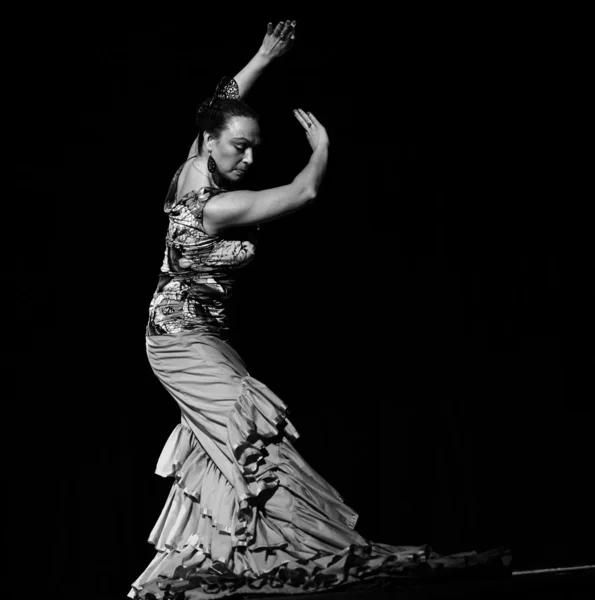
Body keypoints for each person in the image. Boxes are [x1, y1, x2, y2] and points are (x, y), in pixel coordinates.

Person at [129, 20, 511, 600]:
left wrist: (262, 56)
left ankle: (233, 550)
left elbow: (218, 104)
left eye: (257, 146)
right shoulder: (217, 204)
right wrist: (323, 149)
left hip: (205, 335)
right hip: (179, 339)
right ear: (210, 143)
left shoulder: (190, 169)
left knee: (228, 446)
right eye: (240, 146)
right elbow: (303, 193)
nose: (251, 157)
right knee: (254, 438)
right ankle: (305, 547)